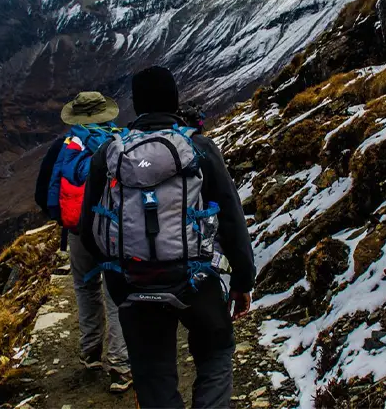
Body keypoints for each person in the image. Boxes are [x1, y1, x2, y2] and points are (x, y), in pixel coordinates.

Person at [79, 67, 256, 409]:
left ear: (137, 104)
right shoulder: (199, 147)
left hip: (134, 282)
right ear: (174, 101)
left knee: (153, 376)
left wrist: (119, 278)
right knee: (216, 354)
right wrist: (242, 279)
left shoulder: (110, 153)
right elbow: (232, 218)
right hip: (196, 280)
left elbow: (89, 229)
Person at [34, 91, 133, 393]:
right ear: (107, 114)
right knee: (116, 293)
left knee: (85, 287)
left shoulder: (63, 147)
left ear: (75, 117)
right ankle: (120, 365)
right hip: (115, 232)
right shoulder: (122, 142)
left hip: (78, 231)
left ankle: (91, 352)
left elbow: (42, 194)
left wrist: (67, 219)